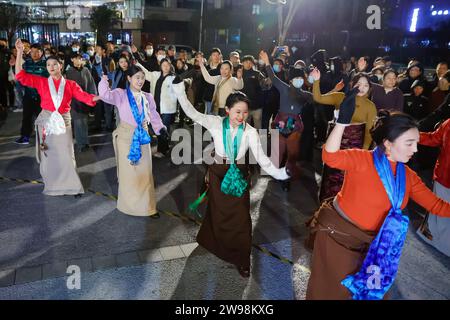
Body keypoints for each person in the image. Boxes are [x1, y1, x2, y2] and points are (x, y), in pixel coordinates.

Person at [305, 86, 450, 300]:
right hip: (340, 238)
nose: (416, 149)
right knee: (332, 291)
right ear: (388, 143)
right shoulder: (362, 159)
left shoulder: (408, 176)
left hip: (377, 247)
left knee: (372, 293)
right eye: (409, 143)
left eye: (416, 143)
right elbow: (330, 157)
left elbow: (437, 206)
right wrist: (341, 123)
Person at [171, 78, 290, 277]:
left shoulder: (250, 132)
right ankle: (214, 243)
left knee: (242, 219)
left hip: (239, 176)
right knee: (217, 213)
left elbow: (262, 158)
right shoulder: (215, 123)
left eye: (245, 112)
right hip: (218, 173)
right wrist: (179, 90)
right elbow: (191, 112)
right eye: (237, 111)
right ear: (227, 110)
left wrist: (280, 173)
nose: (242, 116)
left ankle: (242, 259)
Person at [14, 39, 100, 196]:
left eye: (55, 64)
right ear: (46, 68)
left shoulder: (70, 84)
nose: (52, 67)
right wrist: (19, 52)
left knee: (67, 154)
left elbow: (85, 97)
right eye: (48, 65)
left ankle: (72, 186)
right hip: (46, 121)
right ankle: (53, 184)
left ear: (61, 65)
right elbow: (20, 75)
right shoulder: (41, 82)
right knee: (49, 155)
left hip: (64, 121)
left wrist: (100, 97)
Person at [98, 65, 168, 217]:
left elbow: (154, 115)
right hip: (125, 138)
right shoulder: (120, 94)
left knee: (145, 173)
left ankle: (148, 208)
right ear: (129, 78)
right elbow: (104, 95)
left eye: (142, 77)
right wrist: (104, 80)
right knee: (129, 174)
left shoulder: (148, 97)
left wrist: (161, 129)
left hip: (142, 137)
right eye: (137, 77)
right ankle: (128, 206)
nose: (140, 80)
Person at [260, 50, 313, 191]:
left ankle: (286, 178)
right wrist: (267, 62)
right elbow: (273, 76)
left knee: (292, 153)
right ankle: (276, 173)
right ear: (290, 80)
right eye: (296, 79)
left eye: (301, 79)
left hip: (294, 126)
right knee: (277, 151)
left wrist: (315, 81)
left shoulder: (306, 95)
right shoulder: (284, 88)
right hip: (280, 122)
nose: (298, 81)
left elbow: (318, 98)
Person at [310, 68, 377, 150]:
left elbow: (368, 131)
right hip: (335, 141)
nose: (362, 88)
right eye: (358, 84)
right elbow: (318, 98)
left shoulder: (370, 106)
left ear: (369, 88)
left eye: (366, 85)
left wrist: (364, 150)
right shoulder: (340, 97)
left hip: (355, 147)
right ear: (352, 84)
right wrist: (316, 80)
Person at [416, 119, 450, 257]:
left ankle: (437, 240)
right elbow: (434, 138)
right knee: (439, 210)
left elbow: (433, 138)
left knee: (439, 210)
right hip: (443, 175)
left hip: (443, 175)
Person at [15, 43, 49, 145]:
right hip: (28, 95)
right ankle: (25, 137)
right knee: (26, 117)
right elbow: (19, 73)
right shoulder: (27, 64)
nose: (34, 54)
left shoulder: (46, 64)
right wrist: (19, 51)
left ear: (41, 52)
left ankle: (45, 138)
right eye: (32, 51)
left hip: (41, 96)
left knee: (43, 117)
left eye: (37, 51)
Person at [65, 52, 98, 152]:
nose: (79, 60)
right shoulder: (69, 72)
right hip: (74, 102)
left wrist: (93, 96)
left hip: (85, 100)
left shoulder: (86, 70)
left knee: (84, 122)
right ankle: (81, 144)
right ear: (72, 60)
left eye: (80, 58)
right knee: (78, 122)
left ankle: (85, 142)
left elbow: (91, 84)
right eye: (76, 58)